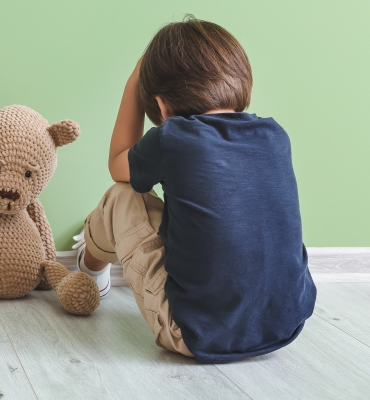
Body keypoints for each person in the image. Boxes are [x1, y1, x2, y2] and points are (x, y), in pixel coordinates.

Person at [72, 16, 317, 362]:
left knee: (122, 196)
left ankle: (91, 268)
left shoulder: (173, 138)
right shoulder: (275, 136)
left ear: (160, 106)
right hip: (286, 324)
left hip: (193, 334)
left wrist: (133, 83)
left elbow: (117, 164)